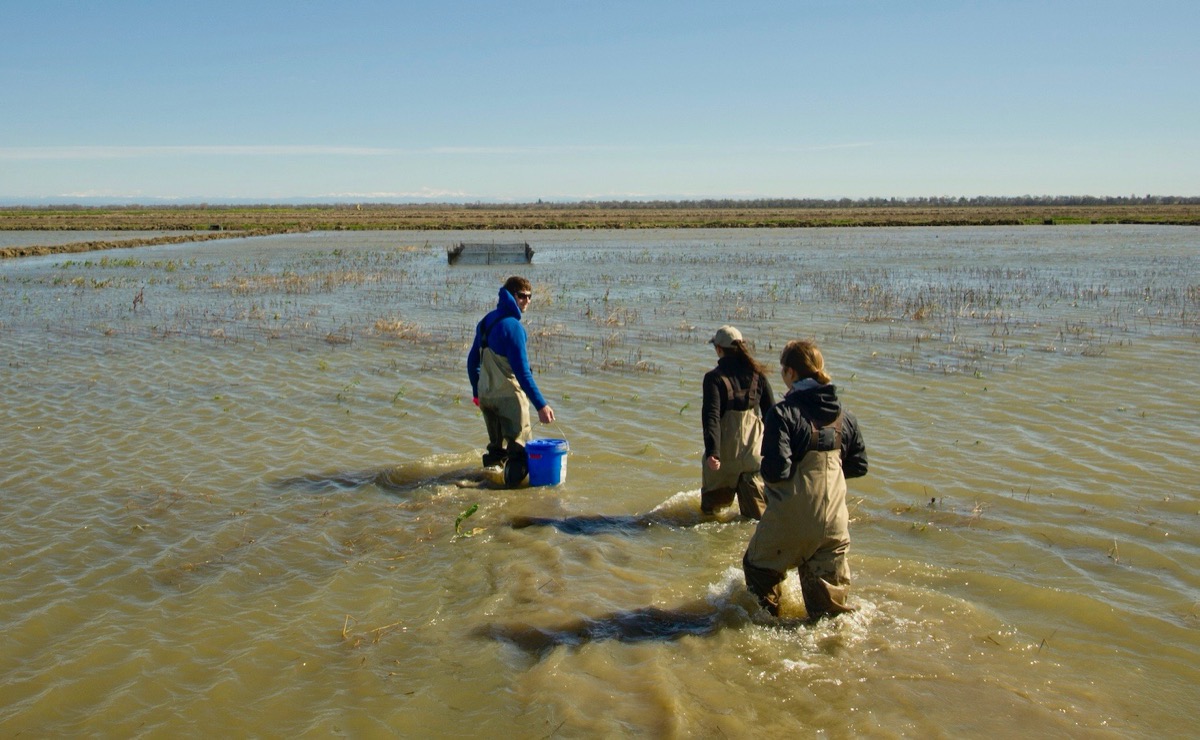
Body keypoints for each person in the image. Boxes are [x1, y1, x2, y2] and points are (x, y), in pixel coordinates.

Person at [742, 339, 868, 620]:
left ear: (791, 374)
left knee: (758, 568)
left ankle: (768, 623)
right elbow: (858, 466)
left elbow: (777, 471)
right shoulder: (845, 418)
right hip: (835, 522)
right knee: (829, 616)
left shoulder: (783, 414)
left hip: (791, 520)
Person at [466, 276, 555, 487]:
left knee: (495, 450)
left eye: (530, 296)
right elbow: (523, 374)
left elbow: (472, 362)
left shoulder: (487, 321)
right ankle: (510, 499)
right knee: (520, 452)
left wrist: (477, 392)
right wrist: (541, 405)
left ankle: (487, 484)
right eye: (522, 296)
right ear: (511, 296)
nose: (527, 301)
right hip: (510, 399)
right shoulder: (514, 328)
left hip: (487, 396)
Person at [701, 325, 775, 519]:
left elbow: (712, 417)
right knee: (755, 518)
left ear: (718, 349)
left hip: (724, 457)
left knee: (710, 519)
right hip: (753, 455)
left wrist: (712, 452)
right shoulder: (758, 375)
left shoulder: (713, 378)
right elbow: (771, 414)